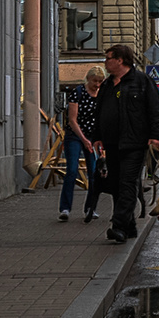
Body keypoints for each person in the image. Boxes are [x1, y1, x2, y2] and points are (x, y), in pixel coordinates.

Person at [92, 44, 159, 243]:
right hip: (111, 144)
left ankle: (118, 226)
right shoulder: (107, 85)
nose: (105, 62)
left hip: (134, 143)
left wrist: (157, 136)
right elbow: (99, 113)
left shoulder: (141, 81)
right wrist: (97, 136)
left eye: (108, 58)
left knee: (127, 183)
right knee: (116, 185)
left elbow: (156, 110)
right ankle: (130, 227)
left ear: (120, 60)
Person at [58, 65, 105, 223]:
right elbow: (72, 120)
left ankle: (90, 209)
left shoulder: (102, 95)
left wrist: (99, 140)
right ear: (88, 79)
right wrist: (84, 139)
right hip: (75, 135)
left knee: (93, 173)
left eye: (100, 81)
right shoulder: (77, 92)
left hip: (93, 137)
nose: (97, 85)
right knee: (72, 170)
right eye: (94, 81)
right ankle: (65, 208)